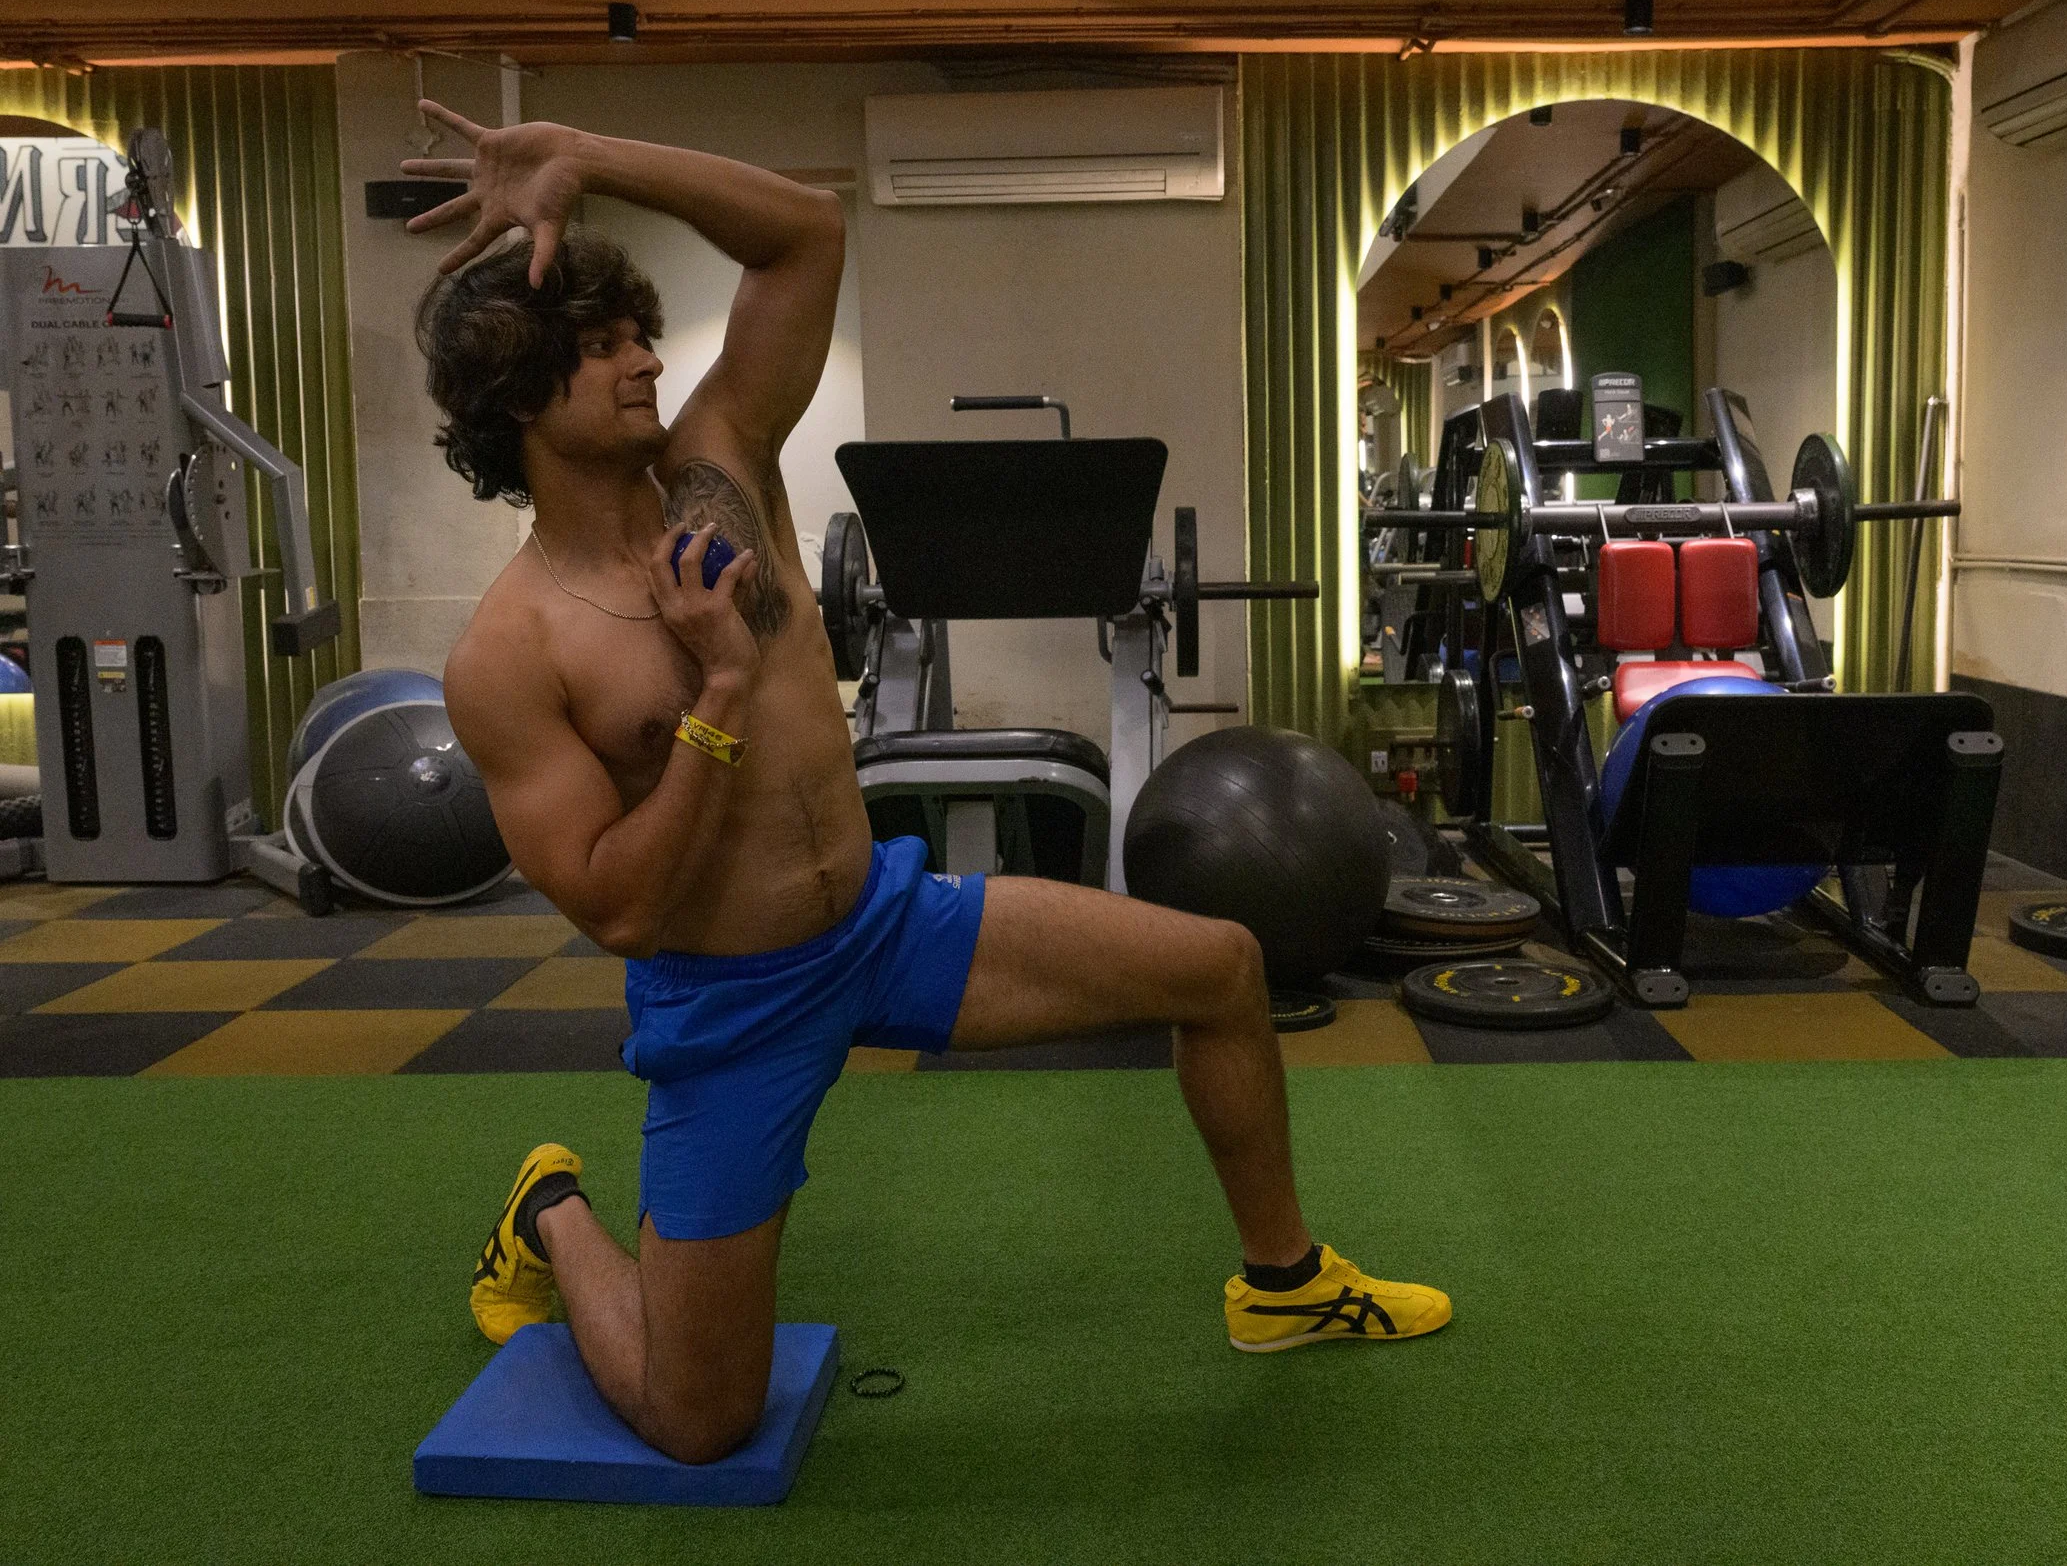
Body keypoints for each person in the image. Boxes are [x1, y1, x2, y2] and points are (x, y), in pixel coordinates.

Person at [403, 102, 1449, 1465]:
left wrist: (591, 161)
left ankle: (1286, 1280)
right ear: (517, 393)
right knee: (696, 1417)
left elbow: (807, 234)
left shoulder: (719, 462)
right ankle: (551, 1209)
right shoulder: (508, 649)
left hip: (885, 925)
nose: (647, 359)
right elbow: (617, 908)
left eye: (638, 331)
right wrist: (718, 689)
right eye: (600, 347)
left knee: (1225, 965)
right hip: (731, 1008)